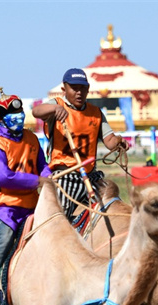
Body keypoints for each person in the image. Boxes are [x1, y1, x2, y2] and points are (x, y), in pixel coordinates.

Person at [0, 89, 51, 305]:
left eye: (20, 113)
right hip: (5, 207)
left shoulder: (32, 138)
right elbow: (3, 178)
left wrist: (47, 175)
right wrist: (38, 180)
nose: (18, 117)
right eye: (11, 114)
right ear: (0, 118)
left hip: (34, 205)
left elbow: (41, 165)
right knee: (5, 239)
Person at [31, 68, 127, 224]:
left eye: (82, 88)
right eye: (74, 88)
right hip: (64, 175)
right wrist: (55, 109)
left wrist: (118, 141)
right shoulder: (57, 105)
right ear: (64, 89)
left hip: (90, 175)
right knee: (56, 221)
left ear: (88, 89)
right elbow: (36, 111)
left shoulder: (96, 112)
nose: (79, 92)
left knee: (112, 206)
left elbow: (109, 142)